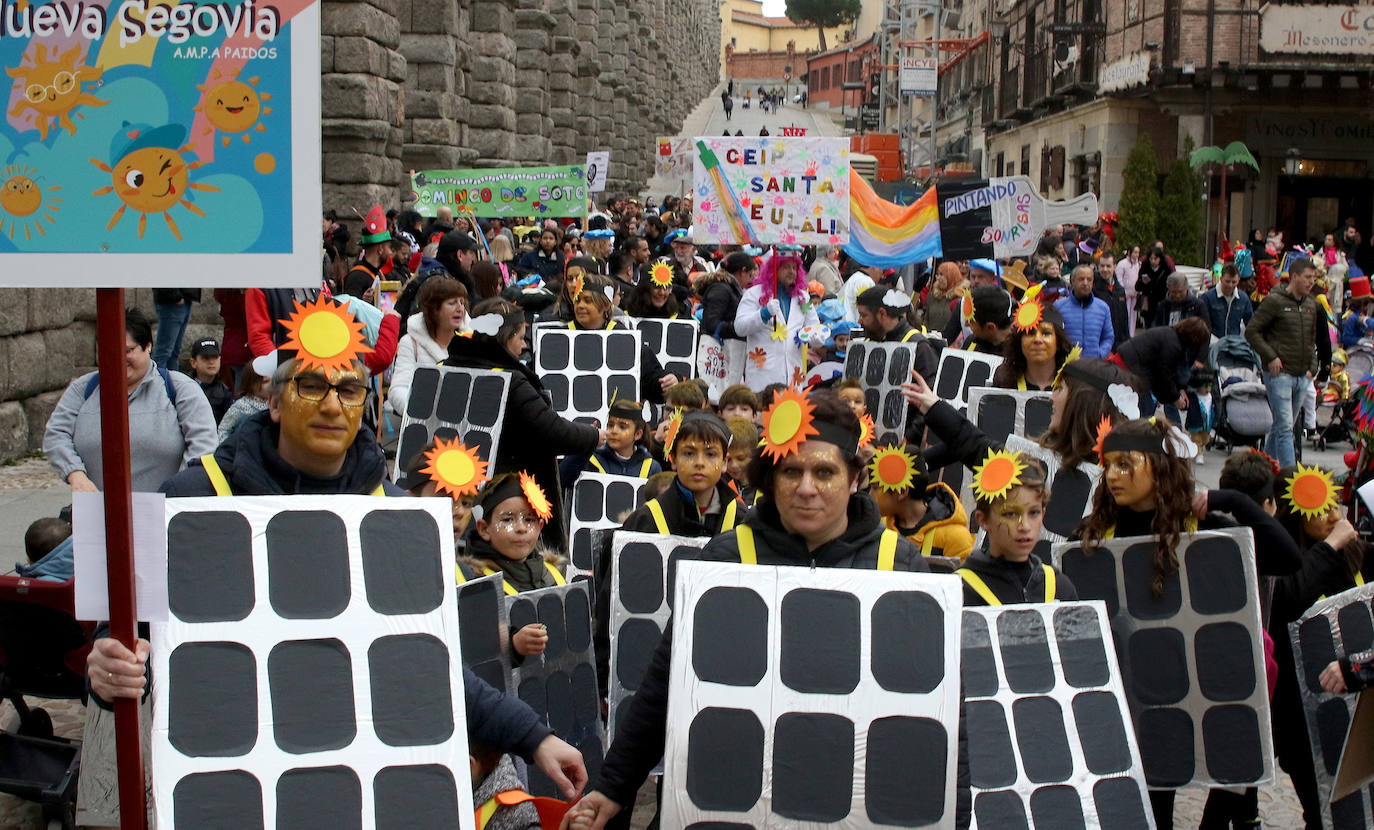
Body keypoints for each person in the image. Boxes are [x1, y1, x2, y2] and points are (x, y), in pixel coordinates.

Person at [87, 345, 589, 799]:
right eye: (311, 386)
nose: (332, 406)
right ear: (276, 403)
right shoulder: (184, 499)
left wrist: (533, 736)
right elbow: (123, 636)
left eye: (349, 390)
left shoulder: (399, 518)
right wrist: (112, 661)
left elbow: (427, 661)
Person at [563, 390, 968, 830]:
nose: (807, 487)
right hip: (735, 797)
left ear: (854, 478)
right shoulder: (728, 559)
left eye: (825, 471)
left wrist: (955, 813)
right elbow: (666, 684)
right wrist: (612, 787)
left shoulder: (899, 565)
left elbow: (941, 712)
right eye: (792, 470)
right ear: (771, 478)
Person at [1075, 418, 1302, 830]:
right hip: (1129, 702)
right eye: (1108, 464)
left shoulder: (1204, 531)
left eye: (1126, 463)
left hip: (1191, 694)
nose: (1112, 475)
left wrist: (1231, 499)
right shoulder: (1094, 535)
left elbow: (1288, 559)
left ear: (1159, 467)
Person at [446, 299, 603, 547]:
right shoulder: (512, 381)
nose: (523, 345)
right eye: (520, 336)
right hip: (507, 493)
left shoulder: (446, 368)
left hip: (453, 491)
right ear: (504, 337)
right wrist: (594, 436)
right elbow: (554, 432)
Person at [1266, 462, 1368, 828]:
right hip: (1301, 718)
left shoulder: (1356, 555)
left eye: (1334, 506)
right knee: (1321, 812)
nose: (1330, 516)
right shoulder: (1281, 561)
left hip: (1353, 708)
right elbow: (1289, 598)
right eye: (1319, 508)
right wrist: (1330, 546)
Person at [44, 308, 217, 494]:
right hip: (96, 510)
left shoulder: (181, 389)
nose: (119, 358)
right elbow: (56, 434)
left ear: (148, 346)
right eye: (110, 350)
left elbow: (203, 444)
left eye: (128, 350)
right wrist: (75, 474)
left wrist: (177, 491)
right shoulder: (83, 389)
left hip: (165, 511)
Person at [957, 454, 1076, 605]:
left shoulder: (1060, 588)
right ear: (983, 520)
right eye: (1010, 514)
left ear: (1043, 514)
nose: (1025, 526)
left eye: (1034, 513)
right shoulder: (961, 591)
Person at [619, 409, 743, 537]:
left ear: (724, 462)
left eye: (710, 454)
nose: (699, 462)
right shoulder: (644, 521)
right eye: (689, 453)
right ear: (674, 459)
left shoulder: (741, 522)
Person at [1246, 257, 1320, 466]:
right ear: (1294, 277)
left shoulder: (1311, 306)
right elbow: (1252, 331)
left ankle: (1263, 465)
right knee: (1286, 427)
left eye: (1313, 278)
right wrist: (1270, 357)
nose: (1310, 282)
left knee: (1281, 426)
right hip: (1280, 374)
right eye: (1307, 277)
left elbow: (1312, 339)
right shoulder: (1275, 301)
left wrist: (1312, 368)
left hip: (1302, 374)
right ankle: (1290, 476)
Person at [564, 273, 678, 403]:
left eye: (588, 301)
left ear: (606, 305)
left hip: (617, 420)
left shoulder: (626, 341)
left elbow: (651, 381)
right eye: (577, 300)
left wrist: (669, 380)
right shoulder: (558, 338)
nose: (580, 306)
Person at [734, 247, 824, 389]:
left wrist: (816, 338)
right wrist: (763, 314)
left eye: (794, 267)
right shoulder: (753, 295)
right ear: (773, 268)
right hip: (763, 378)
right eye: (786, 267)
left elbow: (814, 328)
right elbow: (740, 327)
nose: (792, 272)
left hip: (793, 378)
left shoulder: (803, 298)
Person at [867, 441, 973, 560]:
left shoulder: (956, 539)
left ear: (902, 492)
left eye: (875, 488)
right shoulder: (878, 529)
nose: (870, 494)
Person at [388, 277, 469, 417]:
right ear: (434, 309)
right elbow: (397, 390)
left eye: (462, 302)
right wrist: (422, 411)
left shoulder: (471, 341)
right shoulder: (410, 343)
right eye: (452, 303)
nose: (460, 308)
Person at [1115, 316, 1212, 419]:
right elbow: (1163, 376)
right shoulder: (1173, 345)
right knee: (1143, 412)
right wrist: (1175, 398)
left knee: (1144, 408)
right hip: (1130, 369)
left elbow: (1168, 371)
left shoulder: (1171, 335)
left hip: (1129, 364)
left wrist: (1178, 390)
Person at [558, 399, 662, 488]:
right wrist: (586, 444)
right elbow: (563, 479)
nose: (614, 431)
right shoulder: (591, 459)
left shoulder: (651, 468)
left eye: (622, 427)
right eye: (610, 425)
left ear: (638, 434)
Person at [853, 285, 939, 382]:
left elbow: (929, 390)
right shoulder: (868, 342)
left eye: (864, 315)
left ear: (882, 313)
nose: (859, 321)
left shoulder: (919, 347)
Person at [993, 293, 1073, 391]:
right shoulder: (1004, 379)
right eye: (1030, 333)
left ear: (1059, 342)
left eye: (1046, 333)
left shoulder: (1072, 382)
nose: (1037, 339)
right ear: (1019, 342)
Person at [1055, 263, 1115, 358]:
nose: (1085, 283)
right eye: (1081, 279)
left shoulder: (1103, 308)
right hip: (1067, 366)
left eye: (1089, 279)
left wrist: (1100, 354)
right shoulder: (1059, 307)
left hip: (1093, 365)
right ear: (1073, 281)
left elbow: (1108, 337)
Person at [342, 204, 393, 301]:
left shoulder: (379, 273)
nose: (391, 252)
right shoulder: (356, 277)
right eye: (389, 247)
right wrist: (362, 301)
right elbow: (350, 310)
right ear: (380, 249)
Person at [150, 287, 200, 369]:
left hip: (183, 297)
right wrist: (176, 296)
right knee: (164, 352)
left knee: (174, 352)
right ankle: (158, 380)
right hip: (171, 300)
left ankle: (171, 379)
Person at [217, 365, 270, 443]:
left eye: (270, 381)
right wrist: (227, 450)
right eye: (265, 382)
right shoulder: (241, 406)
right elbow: (224, 429)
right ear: (251, 383)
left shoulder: (274, 403)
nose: (270, 385)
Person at [1201, 262, 1254, 338]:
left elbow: (1250, 323)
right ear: (1221, 279)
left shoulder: (1243, 298)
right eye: (1227, 281)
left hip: (1234, 343)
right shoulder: (1207, 297)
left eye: (1234, 282)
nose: (1230, 285)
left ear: (1238, 280)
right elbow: (1202, 324)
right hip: (1213, 342)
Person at [187, 337, 232, 424]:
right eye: (205, 358)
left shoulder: (225, 392)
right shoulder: (184, 388)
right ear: (193, 362)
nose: (211, 362)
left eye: (214, 357)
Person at [960, 285, 1015, 353]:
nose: (966, 324)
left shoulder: (1018, 352)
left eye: (971, 321)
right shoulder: (971, 342)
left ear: (990, 327)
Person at [1092, 250, 1130, 346]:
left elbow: (1124, 318)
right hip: (1101, 341)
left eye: (1108, 266)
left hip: (1119, 342)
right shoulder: (1093, 289)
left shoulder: (1120, 290)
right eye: (1102, 266)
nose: (1105, 269)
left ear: (1115, 266)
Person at [923, 261, 967, 334]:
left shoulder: (961, 298)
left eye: (941, 274)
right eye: (937, 274)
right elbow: (926, 320)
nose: (938, 278)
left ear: (951, 275)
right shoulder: (932, 296)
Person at [1136, 246, 1174, 326]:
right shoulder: (1145, 268)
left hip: (1161, 303)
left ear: (1160, 259)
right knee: (1149, 328)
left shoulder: (1165, 269)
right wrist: (1143, 282)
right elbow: (1137, 287)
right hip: (1148, 305)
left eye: (1155, 259)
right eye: (1151, 258)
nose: (1153, 261)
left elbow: (1170, 286)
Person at [1116, 244, 1143, 336]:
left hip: (1135, 294)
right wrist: (1123, 291)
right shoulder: (1122, 264)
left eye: (1138, 253)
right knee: (1125, 315)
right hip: (1125, 295)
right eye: (1135, 252)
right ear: (1129, 252)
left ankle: (1131, 334)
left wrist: (1140, 290)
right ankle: (1124, 334)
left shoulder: (1139, 264)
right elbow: (1118, 279)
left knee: (1133, 316)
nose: (1137, 255)